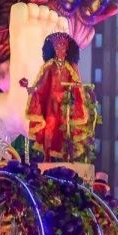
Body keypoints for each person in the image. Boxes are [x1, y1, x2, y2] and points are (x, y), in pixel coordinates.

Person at [23, 32, 95, 161]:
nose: (59, 49)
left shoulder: (70, 67)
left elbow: (77, 84)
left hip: (65, 105)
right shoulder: (49, 66)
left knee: (66, 130)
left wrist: (79, 91)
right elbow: (41, 84)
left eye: (62, 46)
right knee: (49, 129)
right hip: (51, 105)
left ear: (67, 49)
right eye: (57, 47)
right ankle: (47, 156)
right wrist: (32, 90)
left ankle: (67, 157)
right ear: (53, 49)